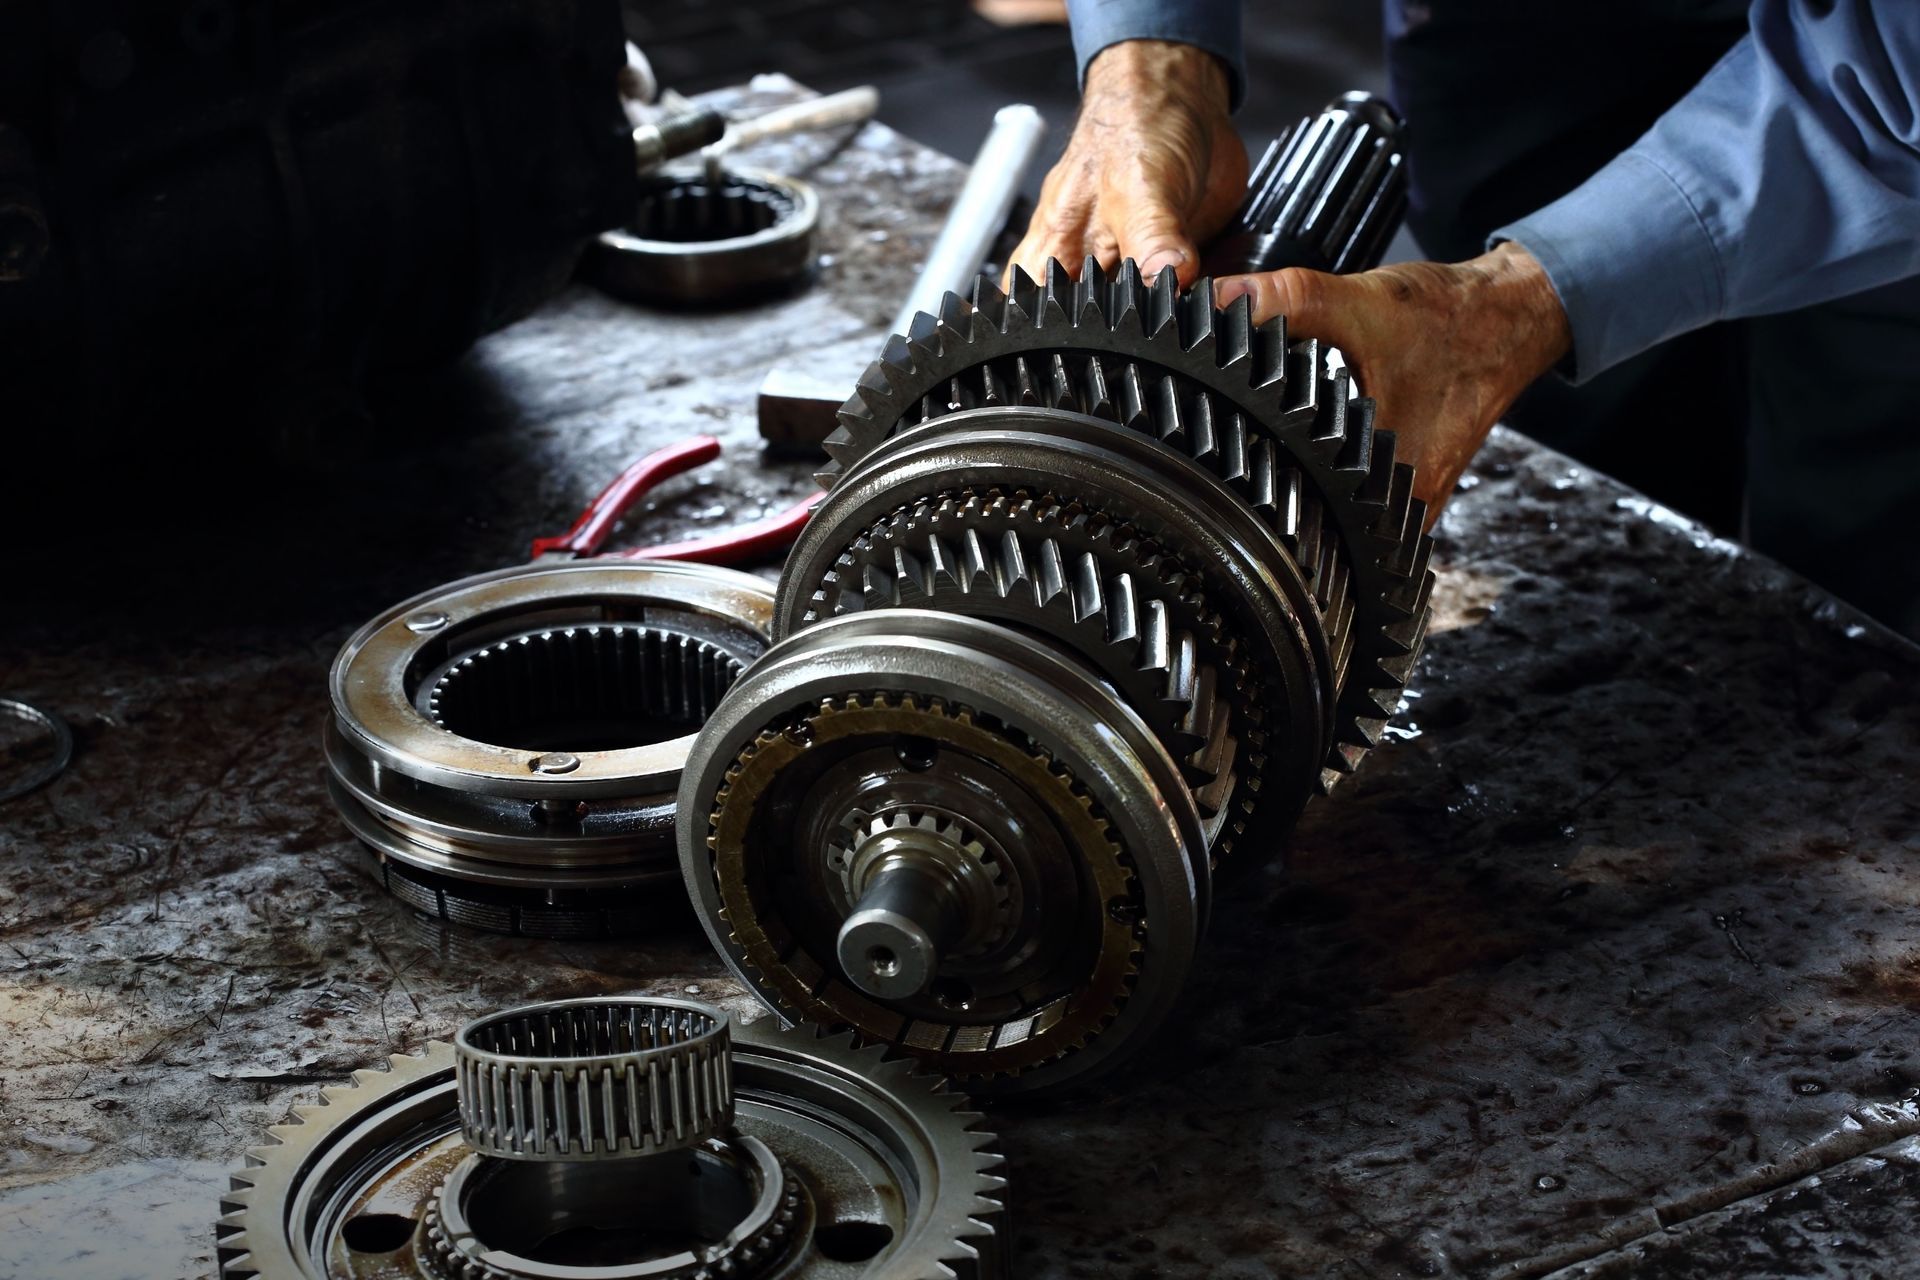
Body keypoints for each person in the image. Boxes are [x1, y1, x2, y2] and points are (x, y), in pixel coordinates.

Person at [1008, 1, 1920, 638]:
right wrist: (1151, 62)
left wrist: (1508, 304)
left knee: (1859, 530)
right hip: (1509, 28)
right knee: (1575, 480)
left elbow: (1896, 78)